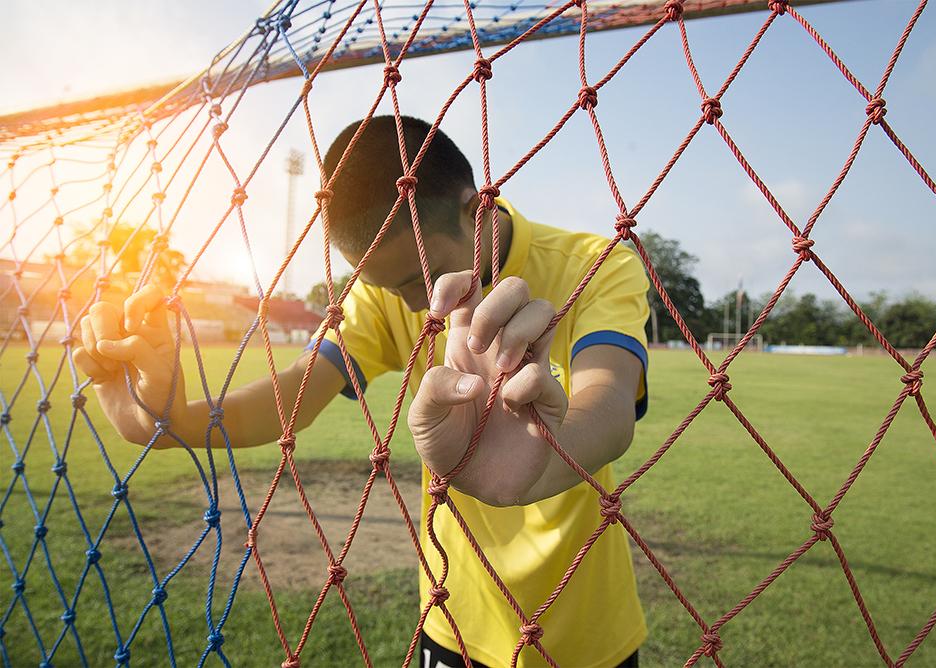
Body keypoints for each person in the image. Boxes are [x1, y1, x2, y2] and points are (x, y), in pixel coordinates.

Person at [74, 115, 651, 668]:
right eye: (384, 287)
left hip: (585, 627)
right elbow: (294, 395)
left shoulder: (597, 267)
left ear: (476, 212)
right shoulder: (382, 297)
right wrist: (168, 419)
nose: (410, 305)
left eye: (412, 281)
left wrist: (543, 460)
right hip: (455, 625)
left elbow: (609, 401)